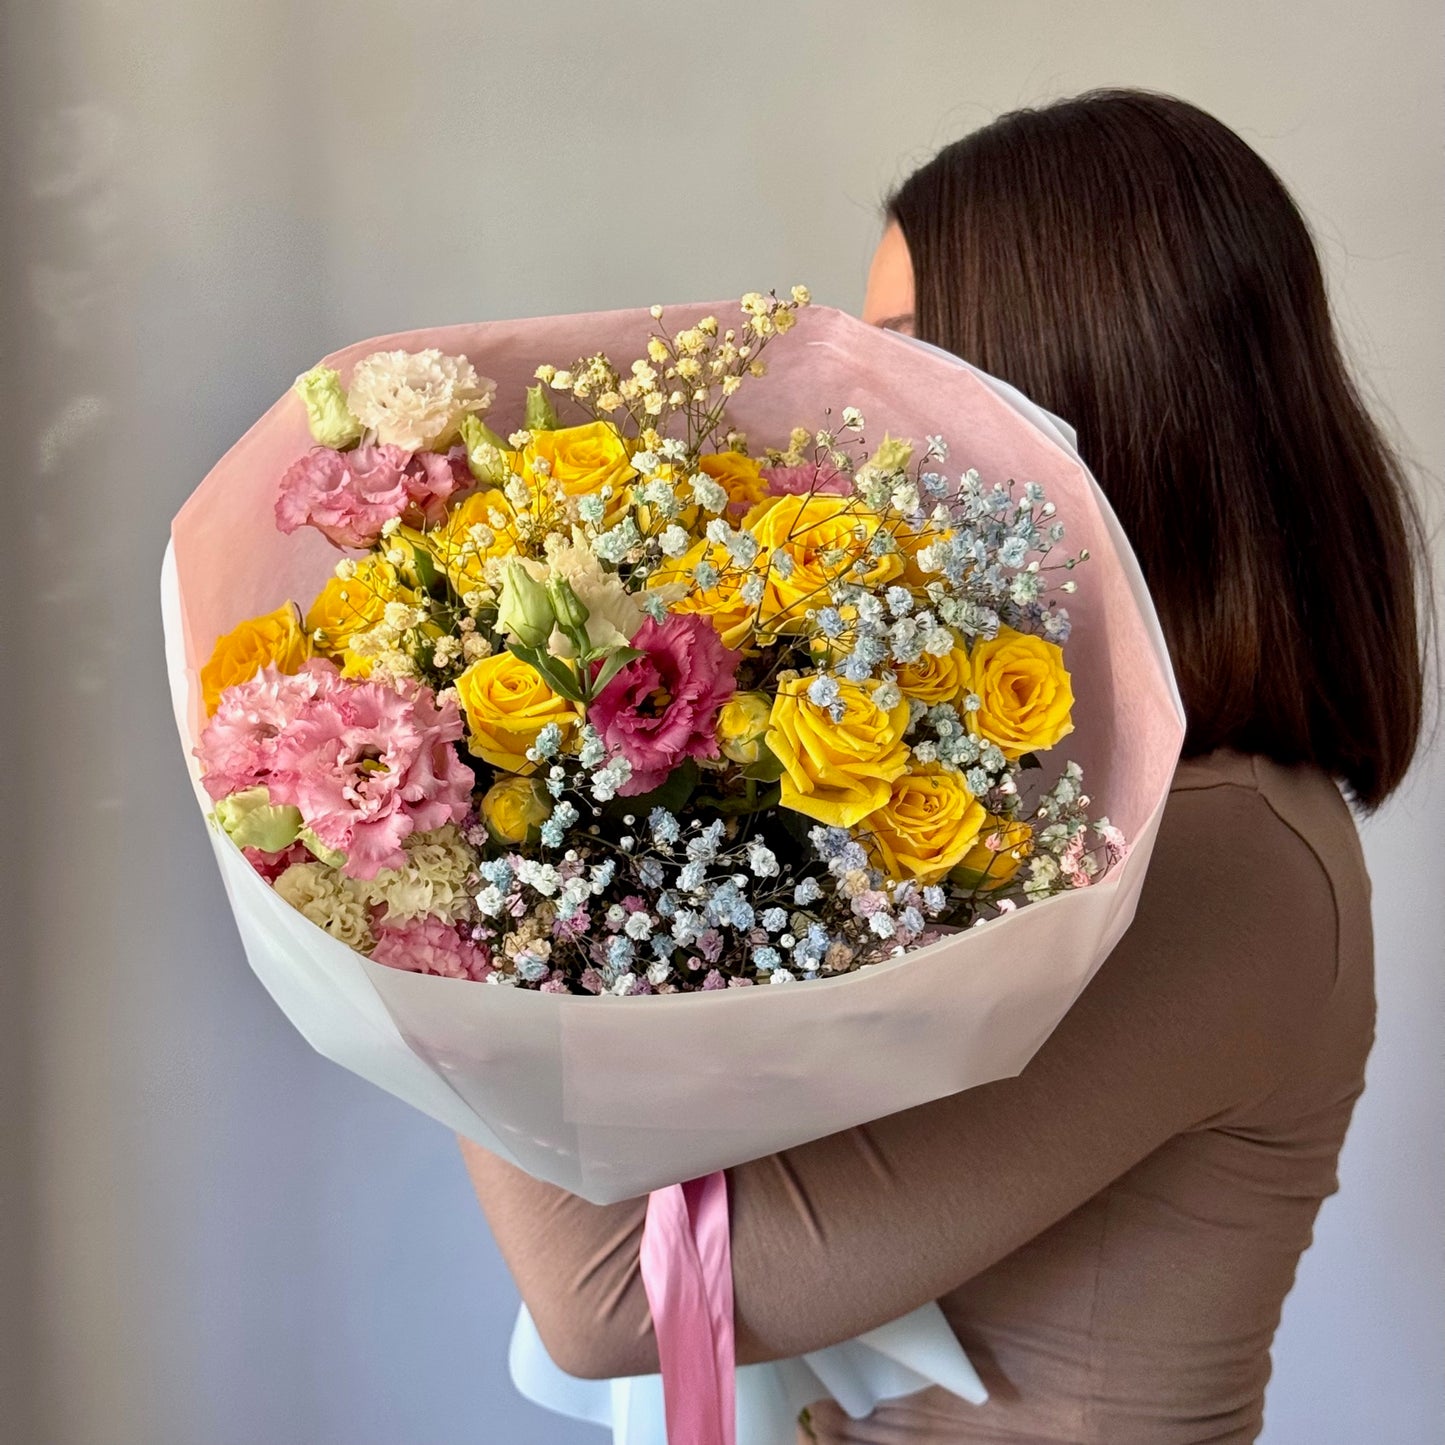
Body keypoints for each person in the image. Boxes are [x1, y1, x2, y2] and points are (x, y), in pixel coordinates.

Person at [459, 90, 1432, 1444]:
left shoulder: (1222, 856)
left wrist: (455, 846)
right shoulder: (1059, 812)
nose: (864, 425)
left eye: (913, 361)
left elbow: (624, 1297)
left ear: (1085, 377)